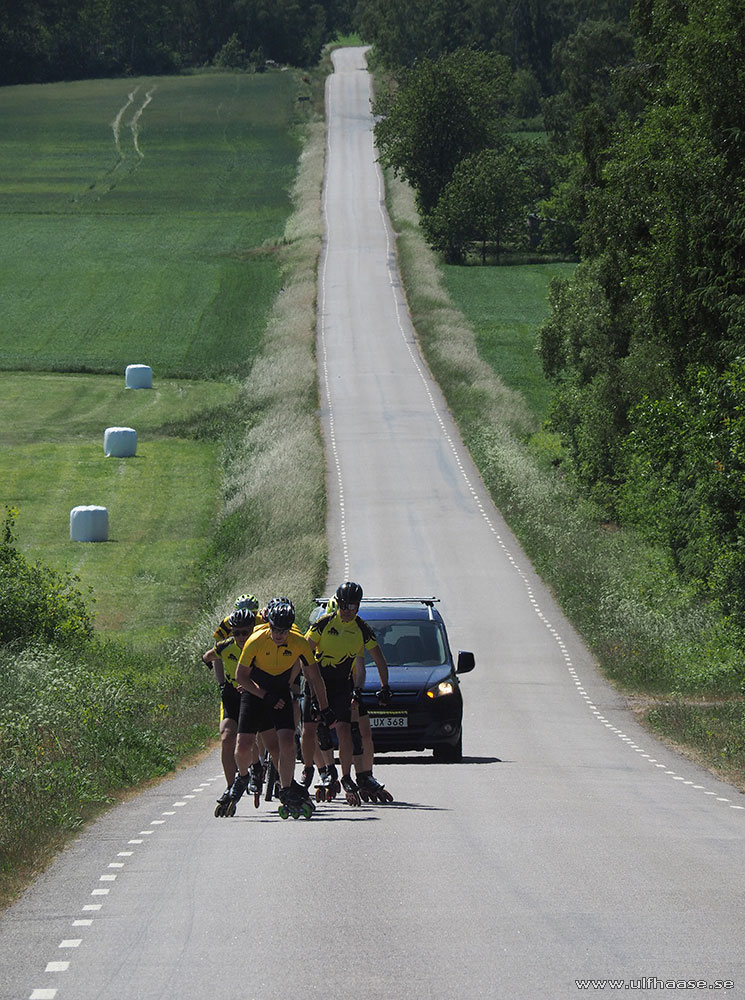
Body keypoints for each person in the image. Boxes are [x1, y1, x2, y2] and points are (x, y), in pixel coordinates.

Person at [230, 598, 334, 815]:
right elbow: (241, 677)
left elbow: (314, 676)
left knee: (287, 742)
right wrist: (263, 695)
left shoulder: (299, 642)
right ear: (269, 625)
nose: (279, 635)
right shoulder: (256, 640)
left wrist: (324, 708)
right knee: (243, 745)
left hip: (280, 692)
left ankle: (286, 788)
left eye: (284, 631)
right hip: (255, 690)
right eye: (275, 630)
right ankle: (243, 776)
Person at [305, 581, 393, 805]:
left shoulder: (362, 629)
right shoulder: (324, 623)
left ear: (358, 606)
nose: (346, 611)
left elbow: (379, 659)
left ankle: (345, 776)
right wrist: (298, 680)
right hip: (318, 682)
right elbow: (304, 651)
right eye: (343, 606)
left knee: (345, 730)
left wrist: (385, 687)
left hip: (342, 684)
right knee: (318, 730)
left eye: (352, 607)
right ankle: (327, 772)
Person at [202, 606, 265, 816]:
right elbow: (208, 656)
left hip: (252, 694)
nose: (239, 636)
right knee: (227, 737)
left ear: (252, 630)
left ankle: (256, 766)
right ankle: (231, 787)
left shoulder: (259, 646)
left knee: (246, 739)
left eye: (244, 632)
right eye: (235, 632)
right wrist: (214, 671)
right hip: (231, 694)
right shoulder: (226, 645)